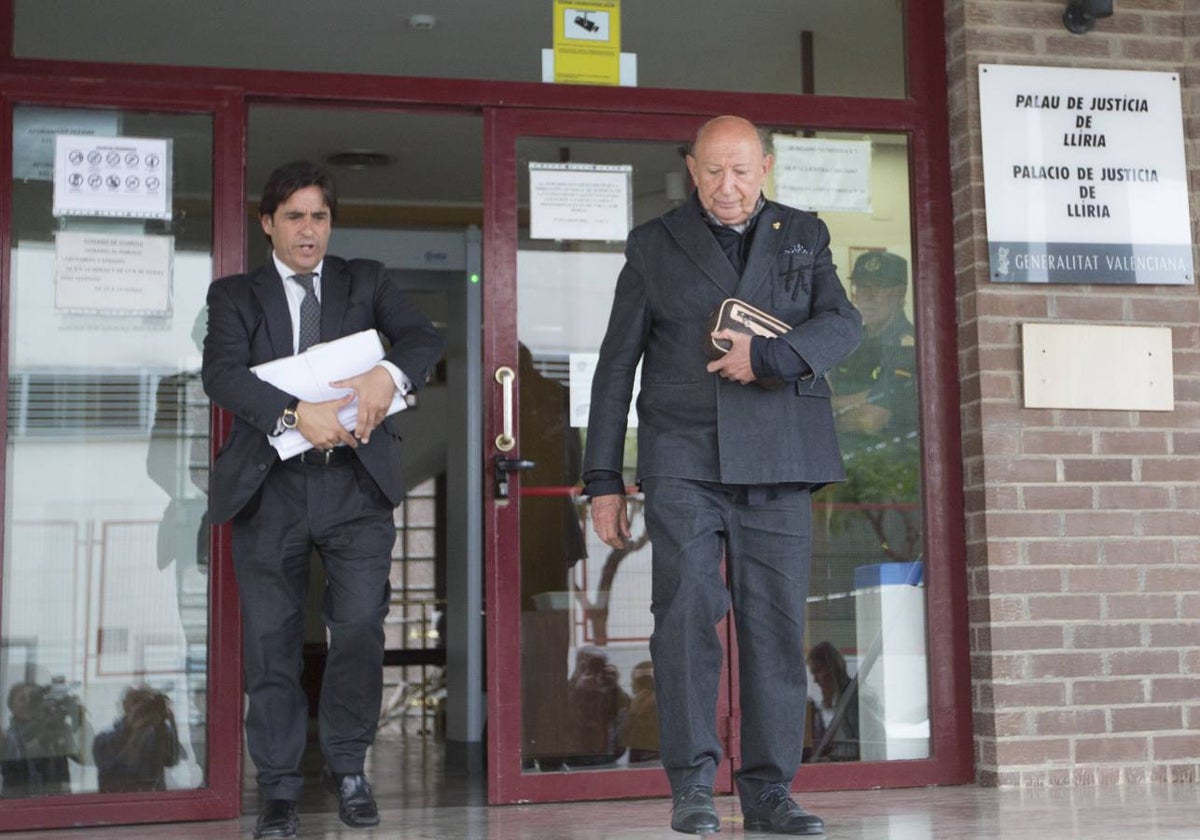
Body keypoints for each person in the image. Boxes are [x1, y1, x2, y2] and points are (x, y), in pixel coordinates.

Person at [583, 115, 861, 836]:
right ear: (690, 168)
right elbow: (616, 368)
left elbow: (842, 324)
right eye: (712, 171)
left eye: (740, 170)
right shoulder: (653, 244)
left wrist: (769, 359)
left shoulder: (805, 232)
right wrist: (603, 479)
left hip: (780, 455)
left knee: (773, 625)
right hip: (685, 457)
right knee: (684, 616)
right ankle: (693, 785)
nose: (727, 186)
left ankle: (769, 791)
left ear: (765, 167)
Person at [202, 161, 444, 839]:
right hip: (269, 487)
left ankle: (348, 768)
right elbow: (220, 374)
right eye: (294, 217)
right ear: (267, 223)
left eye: (319, 217)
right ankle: (278, 790)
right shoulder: (235, 295)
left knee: (361, 625)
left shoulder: (364, 280)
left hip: (354, 484)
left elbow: (425, 336)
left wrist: (386, 373)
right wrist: (290, 411)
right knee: (271, 641)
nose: (308, 231)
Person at [831, 250, 916, 442]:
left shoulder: (907, 346)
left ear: (900, 293)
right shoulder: (849, 340)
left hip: (891, 461)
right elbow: (820, 394)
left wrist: (828, 413)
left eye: (878, 287)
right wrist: (866, 396)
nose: (867, 296)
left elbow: (869, 420)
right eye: (861, 286)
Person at [92, 685, 184, 792]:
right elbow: (114, 769)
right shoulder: (105, 737)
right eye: (136, 701)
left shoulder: (159, 732)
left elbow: (172, 760)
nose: (143, 708)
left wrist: (170, 721)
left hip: (152, 801)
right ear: (125, 705)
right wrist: (133, 730)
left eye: (147, 704)